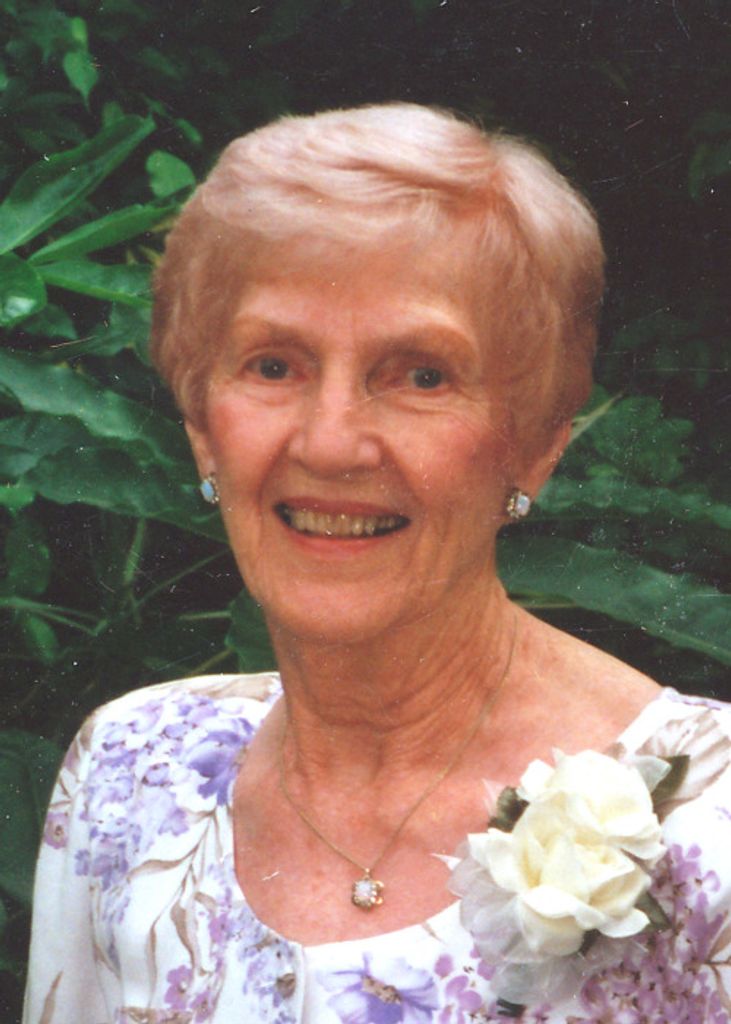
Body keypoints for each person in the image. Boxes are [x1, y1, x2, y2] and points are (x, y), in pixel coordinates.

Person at [23, 103, 731, 1023]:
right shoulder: (130, 771)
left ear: (535, 444)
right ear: (202, 427)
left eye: (421, 374)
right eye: (273, 366)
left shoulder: (706, 824)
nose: (329, 444)